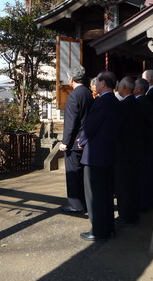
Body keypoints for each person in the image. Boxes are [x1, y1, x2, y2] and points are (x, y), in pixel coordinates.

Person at [78, 71, 121, 241]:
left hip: (95, 156)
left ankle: (98, 230)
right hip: (110, 155)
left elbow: (91, 126)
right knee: (107, 194)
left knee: (94, 195)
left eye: (97, 82)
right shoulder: (116, 102)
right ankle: (108, 227)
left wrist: (81, 140)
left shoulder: (102, 102)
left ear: (103, 83)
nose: (95, 85)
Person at [59, 66, 94, 213]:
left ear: (71, 79)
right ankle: (85, 202)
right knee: (83, 175)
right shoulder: (88, 93)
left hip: (74, 141)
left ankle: (75, 205)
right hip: (85, 140)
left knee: (73, 174)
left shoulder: (74, 95)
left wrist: (65, 142)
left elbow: (70, 122)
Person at [115, 76, 144, 226]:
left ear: (125, 88)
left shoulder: (122, 106)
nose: (118, 88)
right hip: (139, 150)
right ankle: (134, 213)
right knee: (134, 184)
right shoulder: (140, 104)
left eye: (120, 86)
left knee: (124, 186)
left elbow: (117, 129)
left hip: (124, 152)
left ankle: (125, 215)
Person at [134, 77, 153, 211]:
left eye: (135, 86)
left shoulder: (139, 103)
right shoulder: (147, 102)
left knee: (143, 176)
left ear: (140, 89)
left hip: (143, 145)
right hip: (148, 144)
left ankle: (143, 204)